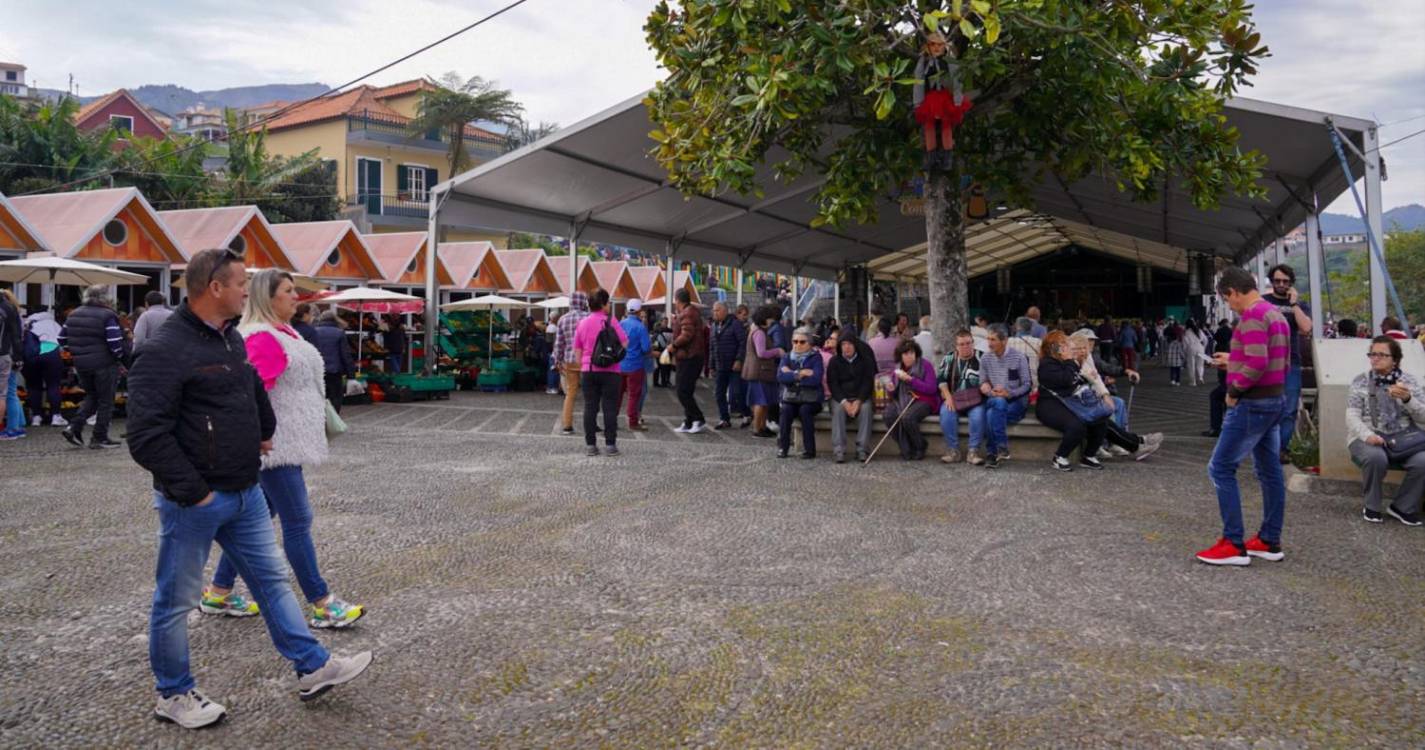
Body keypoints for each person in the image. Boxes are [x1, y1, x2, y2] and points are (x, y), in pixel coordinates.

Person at [126, 249, 371, 729]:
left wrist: (263, 428)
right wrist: (193, 491)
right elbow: (145, 434)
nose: (246, 290)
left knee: (273, 581)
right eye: (240, 282)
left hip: (245, 491)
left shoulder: (230, 339)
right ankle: (173, 695)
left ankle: (312, 666)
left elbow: (252, 387)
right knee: (175, 601)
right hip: (195, 500)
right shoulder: (164, 349)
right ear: (214, 288)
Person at [201, 268, 365, 629]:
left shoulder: (280, 331)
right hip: (276, 447)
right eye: (289, 291)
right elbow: (248, 395)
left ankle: (218, 591)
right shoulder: (261, 337)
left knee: (258, 519)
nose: (296, 296)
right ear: (268, 297)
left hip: (283, 442)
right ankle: (322, 602)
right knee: (298, 520)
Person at [1196, 266, 1290, 566]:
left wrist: (1234, 390)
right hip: (1275, 399)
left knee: (1221, 468)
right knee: (1269, 471)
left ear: (1234, 292)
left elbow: (1258, 362)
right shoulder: (1275, 314)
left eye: (1228, 299)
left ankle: (1233, 543)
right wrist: (1234, 359)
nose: (1229, 305)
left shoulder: (1250, 317)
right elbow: (1274, 359)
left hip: (1252, 403)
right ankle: (1268, 540)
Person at [1038, 331, 1162, 471]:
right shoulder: (1047, 364)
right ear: (1055, 348)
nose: (1068, 346)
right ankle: (1060, 457)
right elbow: (1066, 380)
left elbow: (1076, 379)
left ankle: (1090, 456)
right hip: (1050, 406)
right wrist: (1070, 361)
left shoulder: (1066, 361)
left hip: (1069, 401)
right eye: (1064, 344)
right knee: (1078, 425)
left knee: (1100, 418)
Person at [1346, 336, 1425, 525]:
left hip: (1403, 439)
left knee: (1423, 461)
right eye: (1372, 354)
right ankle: (1372, 506)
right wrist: (1368, 435)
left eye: (1382, 355)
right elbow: (1352, 416)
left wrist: (1408, 399)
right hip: (1367, 436)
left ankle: (1403, 507)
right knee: (1376, 457)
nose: (1375, 358)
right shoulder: (1360, 381)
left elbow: (1423, 417)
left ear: (1395, 359)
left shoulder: (1409, 382)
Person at [59, 284, 130, 449]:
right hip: (104, 364)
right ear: (105, 299)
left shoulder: (74, 314)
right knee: (106, 401)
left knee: (92, 396)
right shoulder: (108, 316)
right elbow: (114, 344)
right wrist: (119, 357)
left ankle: (73, 427)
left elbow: (61, 339)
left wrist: (77, 351)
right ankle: (99, 437)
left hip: (81, 364)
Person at [1263, 263, 1312, 464]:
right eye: (1277, 281)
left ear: (1291, 283)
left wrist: (1294, 304)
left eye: (1285, 281)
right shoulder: (1263, 302)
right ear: (1272, 281)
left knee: (1289, 409)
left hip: (1291, 361)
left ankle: (1280, 449)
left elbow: (1306, 328)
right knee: (1267, 407)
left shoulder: (1299, 305)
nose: (1281, 284)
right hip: (1268, 362)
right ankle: (1267, 449)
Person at [573, 289, 629, 455]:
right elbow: (625, 343)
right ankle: (610, 445)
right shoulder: (612, 322)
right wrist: (612, 355)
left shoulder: (582, 323)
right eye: (608, 302)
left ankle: (591, 445)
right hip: (611, 371)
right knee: (610, 407)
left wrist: (583, 364)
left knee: (590, 407)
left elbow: (577, 350)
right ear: (604, 304)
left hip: (589, 370)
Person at [979, 323, 1032, 469]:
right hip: (993, 398)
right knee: (998, 403)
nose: (989, 343)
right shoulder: (985, 358)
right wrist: (987, 388)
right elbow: (982, 382)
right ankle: (1001, 446)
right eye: (988, 339)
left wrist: (1009, 393)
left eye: (993, 340)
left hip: (1015, 402)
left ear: (1004, 340)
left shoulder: (1018, 357)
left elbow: (1027, 385)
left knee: (991, 415)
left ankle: (991, 454)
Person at [937, 329, 987, 464]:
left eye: (968, 343)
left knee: (978, 415)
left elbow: (991, 378)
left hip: (976, 400)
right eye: (961, 344)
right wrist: (947, 397)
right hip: (955, 399)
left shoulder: (983, 357)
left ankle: (973, 452)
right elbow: (941, 380)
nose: (965, 346)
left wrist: (987, 385)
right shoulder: (949, 358)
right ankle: (953, 451)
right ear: (956, 345)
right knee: (946, 413)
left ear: (973, 342)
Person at [883, 339, 938, 460]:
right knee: (888, 415)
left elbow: (932, 389)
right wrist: (891, 389)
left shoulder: (925, 365)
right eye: (906, 354)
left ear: (916, 353)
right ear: (900, 356)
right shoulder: (897, 368)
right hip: (902, 399)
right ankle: (905, 446)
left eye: (912, 353)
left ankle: (920, 445)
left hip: (923, 399)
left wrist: (911, 380)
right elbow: (893, 393)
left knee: (908, 417)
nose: (909, 357)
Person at [775, 327, 824, 459]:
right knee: (785, 410)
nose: (797, 345)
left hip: (811, 399)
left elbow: (815, 379)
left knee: (805, 410)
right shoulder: (786, 357)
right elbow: (780, 377)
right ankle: (783, 448)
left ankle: (809, 450)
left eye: (802, 342)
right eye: (795, 341)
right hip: (791, 398)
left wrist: (791, 374)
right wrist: (800, 374)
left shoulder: (816, 357)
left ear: (809, 344)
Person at [826, 330, 874, 464]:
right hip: (840, 397)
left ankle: (862, 449)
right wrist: (845, 402)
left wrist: (858, 401)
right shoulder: (834, 361)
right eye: (843, 344)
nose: (846, 347)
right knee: (839, 410)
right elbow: (833, 384)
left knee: (866, 409)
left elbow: (867, 382)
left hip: (860, 396)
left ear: (855, 345)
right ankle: (839, 450)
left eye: (850, 344)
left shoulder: (864, 360)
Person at [667, 288, 708, 433]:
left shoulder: (687, 313)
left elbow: (687, 334)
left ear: (678, 300)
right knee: (686, 390)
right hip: (691, 356)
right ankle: (689, 421)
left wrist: (674, 345)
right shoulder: (689, 312)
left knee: (682, 390)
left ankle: (698, 418)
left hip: (690, 356)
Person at [742, 304, 785, 438]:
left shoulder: (757, 330)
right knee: (761, 401)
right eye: (770, 318)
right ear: (764, 318)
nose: (772, 321)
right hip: (760, 371)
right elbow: (761, 353)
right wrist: (777, 351)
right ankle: (757, 428)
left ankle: (761, 426)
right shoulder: (759, 333)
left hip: (759, 370)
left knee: (763, 401)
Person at [552, 291, 590, 434]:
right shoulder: (588, 317)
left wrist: (557, 360)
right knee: (589, 393)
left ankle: (567, 425)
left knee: (570, 393)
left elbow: (559, 343)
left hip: (569, 361)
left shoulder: (563, 319)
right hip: (586, 360)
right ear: (583, 302)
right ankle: (591, 424)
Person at [22, 307, 66, 428]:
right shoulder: (53, 323)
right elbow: (63, 340)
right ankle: (56, 416)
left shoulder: (27, 323)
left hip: (31, 356)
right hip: (51, 353)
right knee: (53, 385)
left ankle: (36, 417)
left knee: (33, 386)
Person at [709, 301, 748, 430]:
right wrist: (711, 365)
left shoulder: (735, 324)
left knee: (737, 392)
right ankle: (724, 418)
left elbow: (743, 343)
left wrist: (739, 360)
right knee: (719, 393)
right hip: (720, 365)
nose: (715, 313)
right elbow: (712, 347)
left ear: (725, 311)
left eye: (717, 310)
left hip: (733, 365)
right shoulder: (714, 326)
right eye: (714, 310)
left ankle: (747, 414)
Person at [618, 299, 651, 431]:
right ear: (639, 311)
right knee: (633, 395)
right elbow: (645, 348)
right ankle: (632, 422)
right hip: (635, 366)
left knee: (618, 394)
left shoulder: (621, 324)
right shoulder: (640, 327)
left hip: (620, 365)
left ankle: (611, 420)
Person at [313, 310, 354, 414]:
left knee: (321, 396)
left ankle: (322, 418)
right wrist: (351, 375)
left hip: (319, 370)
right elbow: (346, 355)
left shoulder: (314, 331)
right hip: (335, 371)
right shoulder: (339, 332)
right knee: (336, 397)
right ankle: (334, 419)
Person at [1203, 321, 1234, 437]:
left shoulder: (1223, 334)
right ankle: (1223, 426)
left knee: (1216, 395)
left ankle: (1216, 428)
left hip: (1235, 383)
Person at [0, 288, 23, 440]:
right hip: (9, 355)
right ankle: (17, 425)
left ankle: (13, 427)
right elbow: (17, 335)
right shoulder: (11, 310)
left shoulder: (7, 310)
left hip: (8, 354)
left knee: (8, 393)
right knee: (10, 392)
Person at [1007, 317, 1042, 390]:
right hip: (1034, 385)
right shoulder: (1039, 342)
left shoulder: (1008, 342)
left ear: (1018, 327)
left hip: (1013, 386)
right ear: (1031, 328)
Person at [1182, 319, 1207, 386]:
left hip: (1191, 348)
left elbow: (1185, 343)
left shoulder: (1186, 332)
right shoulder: (1199, 330)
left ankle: (1193, 382)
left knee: (1191, 365)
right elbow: (1205, 340)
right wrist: (1203, 347)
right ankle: (1200, 377)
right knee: (1200, 364)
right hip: (1200, 348)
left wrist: (1185, 352)